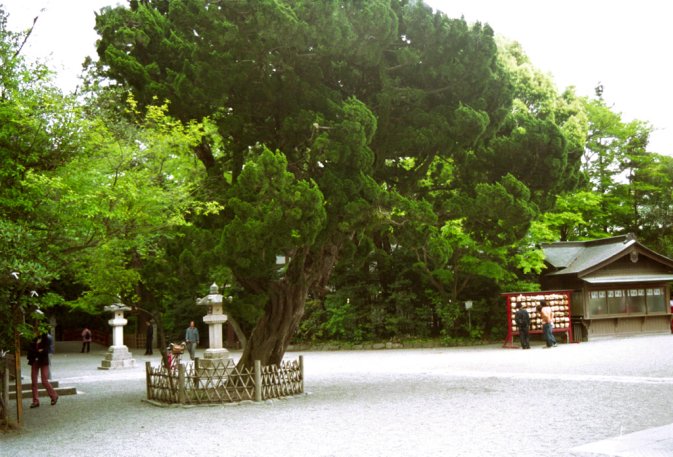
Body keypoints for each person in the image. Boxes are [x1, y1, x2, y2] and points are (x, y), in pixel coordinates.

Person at [27, 329, 59, 408]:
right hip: (35, 360)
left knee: (44, 380)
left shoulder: (47, 339)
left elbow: (47, 350)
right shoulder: (34, 339)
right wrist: (38, 351)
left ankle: (54, 395)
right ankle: (35, 401)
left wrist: (38, 351)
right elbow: (30, 350)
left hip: (43, 361)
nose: (38, 331)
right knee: (34, 381)